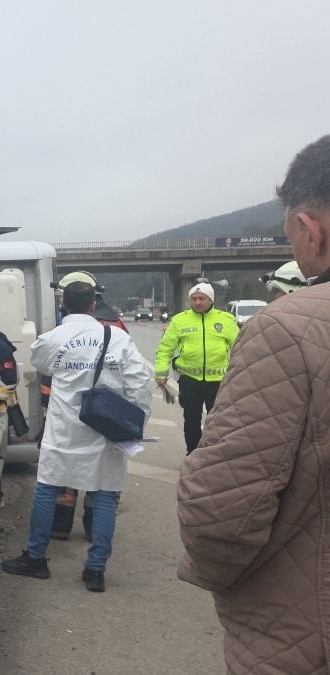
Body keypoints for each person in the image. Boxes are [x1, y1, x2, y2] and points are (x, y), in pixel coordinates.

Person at [177, 135, 330, 673]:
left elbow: (223, 511)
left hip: (303, 629)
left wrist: (220, 574)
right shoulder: (181, 322)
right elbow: (169, 349)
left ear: (310, 229)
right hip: (199, 386)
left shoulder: (287, 329)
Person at [2, 281, 151, 592]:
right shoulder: (118, 338)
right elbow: (139, 382)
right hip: (106, 431)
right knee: (105, 495)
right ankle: (95, 570)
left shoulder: (53, 339)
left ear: (63, 306)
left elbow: (41, 365)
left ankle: (37, 558)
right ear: (94, 305)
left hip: (64, 430)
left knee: (47, 490)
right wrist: (135, 423)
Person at [45, 270, 127, 541]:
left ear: (64, 300)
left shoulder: (61, 328)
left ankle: (60, 525)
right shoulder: (116, 325)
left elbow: (48, 368)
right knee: (101, 476)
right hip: (107, 413)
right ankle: (94, 531)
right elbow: (129, 372)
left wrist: (49, 404)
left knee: (67, 471)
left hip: (68, 413)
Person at [154, 282, 239, 454]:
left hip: (218, 382)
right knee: (191, 421)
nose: (198, 302)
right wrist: (160, 373)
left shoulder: (226, 320)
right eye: (194, 299)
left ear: (211, 300)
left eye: (202, 298)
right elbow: (165, 349)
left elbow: (240, 347)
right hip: (189, 381)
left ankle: (214, 455)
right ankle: (193, 454)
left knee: (218, 422)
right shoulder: (179, 321)